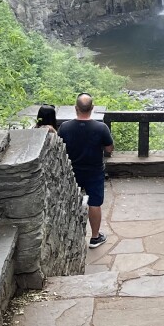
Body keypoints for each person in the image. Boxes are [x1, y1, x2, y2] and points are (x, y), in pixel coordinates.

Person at [57, 93, 114, 249]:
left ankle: (67, 237)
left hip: (71, 170)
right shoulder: (101, 128)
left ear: (76, 108)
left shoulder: (65, 127)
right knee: (94, 203)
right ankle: (95, 237)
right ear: (92, 108)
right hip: (94, 171)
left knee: (69, 202)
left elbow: (59, 146)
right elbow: (109, 148)